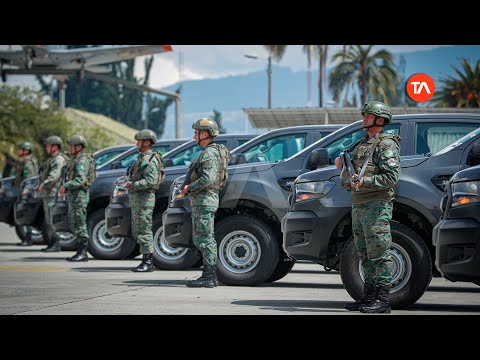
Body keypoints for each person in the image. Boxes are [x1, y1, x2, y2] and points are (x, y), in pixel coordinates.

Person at [335, 101, 401, 314]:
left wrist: (367, 182)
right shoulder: (362, 143)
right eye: (364, 115)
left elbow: (392, 177)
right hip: (360, 205)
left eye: (368, 115)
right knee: (364, 253)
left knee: (379, 253)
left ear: (379, 120)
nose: (364, 118)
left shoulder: (386, 144)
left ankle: (383, 301)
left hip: (376, 205)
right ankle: (368, 297)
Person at [178, 118, 230, 288]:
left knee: (205, 239)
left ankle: (209, 276)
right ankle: (209, 276)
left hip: (204, 201)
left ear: (205, 134)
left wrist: (189, 188)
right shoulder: (212, 151)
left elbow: (207, 179)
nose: (194, 135)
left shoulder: (209, 153)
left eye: (196, 132)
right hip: (205, 201)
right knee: (204, 238)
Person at [124, 129, 164, 272]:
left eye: (139, 141)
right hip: (139, 201)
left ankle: (148, 262)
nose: (136, 144)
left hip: (144, 200)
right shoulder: (142, 158)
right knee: (139, 230)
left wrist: (134, 185)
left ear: (147, 142)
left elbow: (151, 181)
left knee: (144, 230)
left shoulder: (150, 159)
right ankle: (145, 260)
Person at [59, 135, 95, 262]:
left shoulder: (82, 161)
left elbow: (81, 179)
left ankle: (83, 252)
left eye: (72, 146)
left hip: (79, 197)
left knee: (80, 224)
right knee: (74, 223)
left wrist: (66, 185)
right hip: (73, 197)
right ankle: (80, 251)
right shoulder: (75, 159)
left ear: (79, 147)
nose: (70, 148)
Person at [38, 136, 68, 252]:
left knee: (52, 220)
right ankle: (52, 243)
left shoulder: (58, 159)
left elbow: (54, 176)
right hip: (49, 193)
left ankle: (56, 244)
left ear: (55, 146)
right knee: (48, 219)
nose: (46, 148)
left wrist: (43, 185)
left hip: (53, 194)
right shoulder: (53, 159)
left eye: (48, 145)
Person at [14, 142, 39, 246]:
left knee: (26, 215)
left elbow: (29, 179)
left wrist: (25, 192)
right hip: (28, 191)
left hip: (27, 192)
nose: (19, 151)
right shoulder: (27, 161)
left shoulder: (28, 162)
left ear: (26, 150)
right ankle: (27, 238)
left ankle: (28, 239)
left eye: (21, 149)